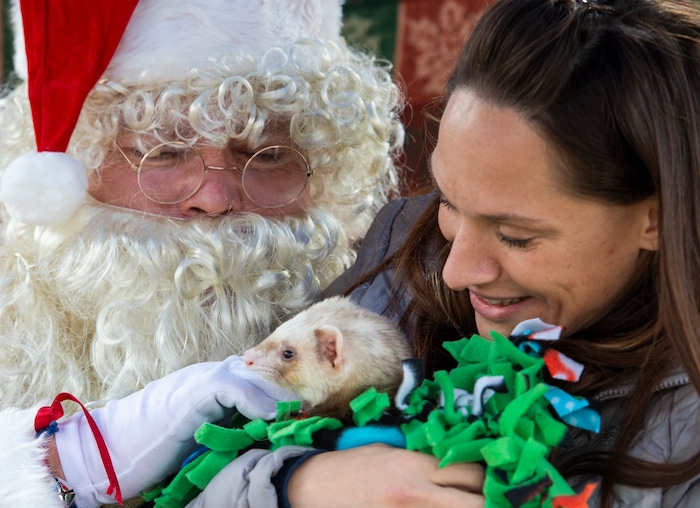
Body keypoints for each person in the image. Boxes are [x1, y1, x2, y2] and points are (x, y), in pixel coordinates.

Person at [191, 0, 700, 506]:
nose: (454, 272)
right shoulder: (404, 246)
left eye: (516, 235)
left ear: (656, 216)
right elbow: (203, 473)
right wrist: (297, 485)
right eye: (449, 203)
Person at [0, 0, 403, 506]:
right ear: (73, 166)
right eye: (164, 151)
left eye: (269, 154)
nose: (214, 200)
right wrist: (63, 463)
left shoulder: (408, 315)